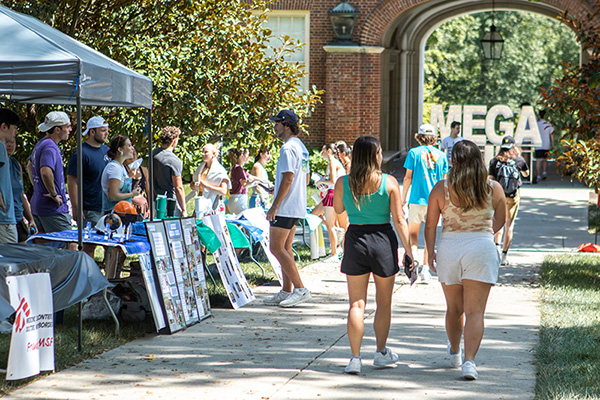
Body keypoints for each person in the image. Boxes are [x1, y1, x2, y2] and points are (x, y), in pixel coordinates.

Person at [424, 140, 506, 381]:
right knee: (475, 311)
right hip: (481, 247)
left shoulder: (442, 188)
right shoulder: (493, 188)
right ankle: (469, 362)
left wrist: (430, 253)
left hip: (450, 248)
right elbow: (501, 220)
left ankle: (455, 351)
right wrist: (484, 233)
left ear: (453, 161)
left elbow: (430, 225)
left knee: (454, 308)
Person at [333, 135, 413, 375]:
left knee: (356, 304)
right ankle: (380, 353)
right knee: (384, 302)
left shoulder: (342, 182)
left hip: (356, 239)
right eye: (379, 152)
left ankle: (355, 358)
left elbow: (338, 210)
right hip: (382, 240)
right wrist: (410, 252)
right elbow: (399, 220)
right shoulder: (389, 182)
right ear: (375, 155)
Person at [265, 109, 311, 307]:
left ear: (287, 125)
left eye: (277, 123)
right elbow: (305, 179)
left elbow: (289, 177)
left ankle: (300, 289)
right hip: (296, 205)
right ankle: (286, 290)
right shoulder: (301, 147)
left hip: (285, 207)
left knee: (275, 247)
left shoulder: (287, 148)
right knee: (285, 248)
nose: (274, 127)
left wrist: (274, 205)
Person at [402, 123, 449, 281]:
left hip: (416, 198)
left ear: (419, 137)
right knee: (430, 235)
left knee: (412, 234)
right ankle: (425, 269)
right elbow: (444, 181)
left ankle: (413, 263)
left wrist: (403, 198)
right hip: (434, 201)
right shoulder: (442, 155)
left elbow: (408, 177)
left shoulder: (413, 153)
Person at [67, 116, 110, 257]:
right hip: (90, 208)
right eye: (103, 130)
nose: (106, 133)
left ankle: (109, 277)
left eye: (107, 130)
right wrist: (76, 207)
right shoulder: (81, 152)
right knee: (89, 247)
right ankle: (87, 277)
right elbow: (72, 181)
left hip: (108, 207)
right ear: (92, 132)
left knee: (111, 246)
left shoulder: (107, 151)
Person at [27, 111, 74, 235]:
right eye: (67, 126)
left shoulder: (41, 143)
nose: (70, 129)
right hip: (52, 208)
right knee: (70, 243)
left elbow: (29, 165)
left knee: (42, 247)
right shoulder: (50, 147)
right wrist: (53, 194)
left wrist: (37, 188)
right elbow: (46, 172)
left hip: (38, 205)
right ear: (57, 129)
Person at [489, 136, 529, 266]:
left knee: (498, 224)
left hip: (498, 196)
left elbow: (490, 179)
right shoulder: (518, 160)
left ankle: (496, 251)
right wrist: (519, 155)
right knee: (509, 226)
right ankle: (504, 256)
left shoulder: (495, 161)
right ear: (513, 146)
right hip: (513, 196)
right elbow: (526, 174)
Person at [311, 143, 346, 258]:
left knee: (330, 225)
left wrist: (320, 182)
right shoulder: (332, 163)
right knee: (313, 214)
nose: (322, 153)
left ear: (329, 151)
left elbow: (333, 181)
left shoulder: (333, 162)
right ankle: (337, 233)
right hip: (331, 193)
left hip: (333, 194)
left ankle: (334, 253)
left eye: (323, 150)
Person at [4, 136, 37, 242]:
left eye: (12, 142)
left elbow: (21, 194)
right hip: (5, 221)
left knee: (23, 254)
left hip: (18, 218)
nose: (9, 145)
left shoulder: (16, 164)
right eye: (6, 142)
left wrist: (31, 219)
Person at [153, 126, 187, 217]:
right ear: (175, 141)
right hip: (169, 203)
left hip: (153, 200)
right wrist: (184, 209)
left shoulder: (153, 154)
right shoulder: (174, 160)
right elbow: (178, 187)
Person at [101, 135, 141, 213]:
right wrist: (132, 194)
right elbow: (112, 196)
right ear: (120, 149)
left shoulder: (121, 167)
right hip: (113, 215)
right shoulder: (114, 168)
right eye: (129, 145)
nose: (132, 148)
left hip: (122, 214)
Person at [190, 143, 231, 212]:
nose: (203, 154)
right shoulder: (200, 168)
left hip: (212, 203)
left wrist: (206, 186)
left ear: (213, 154)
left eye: (206, 152)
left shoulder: (220, 171)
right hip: (199, 201)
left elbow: (223, 191)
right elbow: (192, 185)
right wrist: (194, 186)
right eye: (202, 152)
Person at [0, 108, 19, 243]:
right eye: (14, 128)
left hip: (6, 218)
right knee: (10, 261)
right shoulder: (0, 146)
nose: (16, 132)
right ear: (4, 126)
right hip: (3, 219)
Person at [124, 148, 150, 218]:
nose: (132, 156)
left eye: (134, 153)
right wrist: (130, 176)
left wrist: (149, 207)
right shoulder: (123, 170)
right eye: (130, 153)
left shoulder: (143, 170)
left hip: (142, 207)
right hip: (128, 206)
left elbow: (148, 190)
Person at [228, 147, 254, 215]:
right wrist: (253, 184)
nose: (249, 157)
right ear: (241, 156)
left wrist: (265, 181)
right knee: (246, 221)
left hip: (237, 200)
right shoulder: (238, 168)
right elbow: (244, 184)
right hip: (238, 200)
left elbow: (252, 177)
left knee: (241, 223)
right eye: (247, 155)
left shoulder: (241, 170)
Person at [535, 109, 555, 183]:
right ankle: (544, 172)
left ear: (539, 116)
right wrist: (553, 144)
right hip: (546, 144)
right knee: (545, 159)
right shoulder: (548, 124)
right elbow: (552, 135)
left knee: (538, 160)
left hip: (538, 144)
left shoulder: (536, 125)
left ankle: (538, 174)